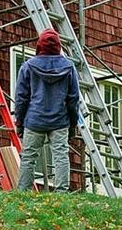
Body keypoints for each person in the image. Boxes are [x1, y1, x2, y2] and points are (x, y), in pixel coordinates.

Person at [15, 28, 79, 192]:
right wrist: (73, 124)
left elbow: (21, 98)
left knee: (28, 157)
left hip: (35, 119)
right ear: (58, 46)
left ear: (39, 45)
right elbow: (73, 99)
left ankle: (23, 191)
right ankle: (61, 192)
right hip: (60, 120)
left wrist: (20, 122)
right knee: (60, 156)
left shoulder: (28, 66)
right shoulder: (69, 67)